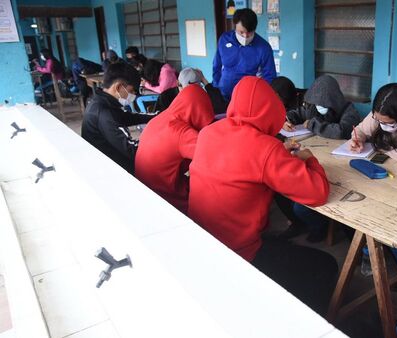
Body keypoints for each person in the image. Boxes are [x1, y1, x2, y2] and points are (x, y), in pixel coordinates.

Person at [187, 77, 337, 314]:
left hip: (201, 242)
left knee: (281, 245)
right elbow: (318, 192)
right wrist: (309, 158)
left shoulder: (208, 132)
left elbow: (243, 160)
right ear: (270, 108)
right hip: (238, 253)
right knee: (325, 265)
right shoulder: (265, 148)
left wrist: (278, 154)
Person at [135, 84, 214, 213]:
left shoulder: (160, 118)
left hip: (145, 189)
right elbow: (212, 157)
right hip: (167, 200)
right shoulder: (181, 133)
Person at [81, 63, 154, 174]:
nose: (134, 95)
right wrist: (159, 141)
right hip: (111, 171)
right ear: (119, 87)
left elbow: (127, 117)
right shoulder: (104, 112)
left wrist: (157, 117)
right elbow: (132, 149)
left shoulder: (102, 101)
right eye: (132, 91)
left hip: (110, 161)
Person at [211, 8, 276, 114]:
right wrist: (215, 88)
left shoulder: (263, 47)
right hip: (222, 96)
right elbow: (216, 66)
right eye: (241, 32)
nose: (245, 36)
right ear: (235, 25)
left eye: (249, 33)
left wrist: (260, 98)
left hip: (247, 101)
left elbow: (270, 77)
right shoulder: (224, 39)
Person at [284, 75, 361, 140]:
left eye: (324, 103)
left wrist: (313, 125)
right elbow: (297, 114)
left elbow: (343, 131)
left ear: (334, 98)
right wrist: (285, 121)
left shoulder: (349, 110)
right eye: (317, 102)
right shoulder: (312, 107)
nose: (320, 105)